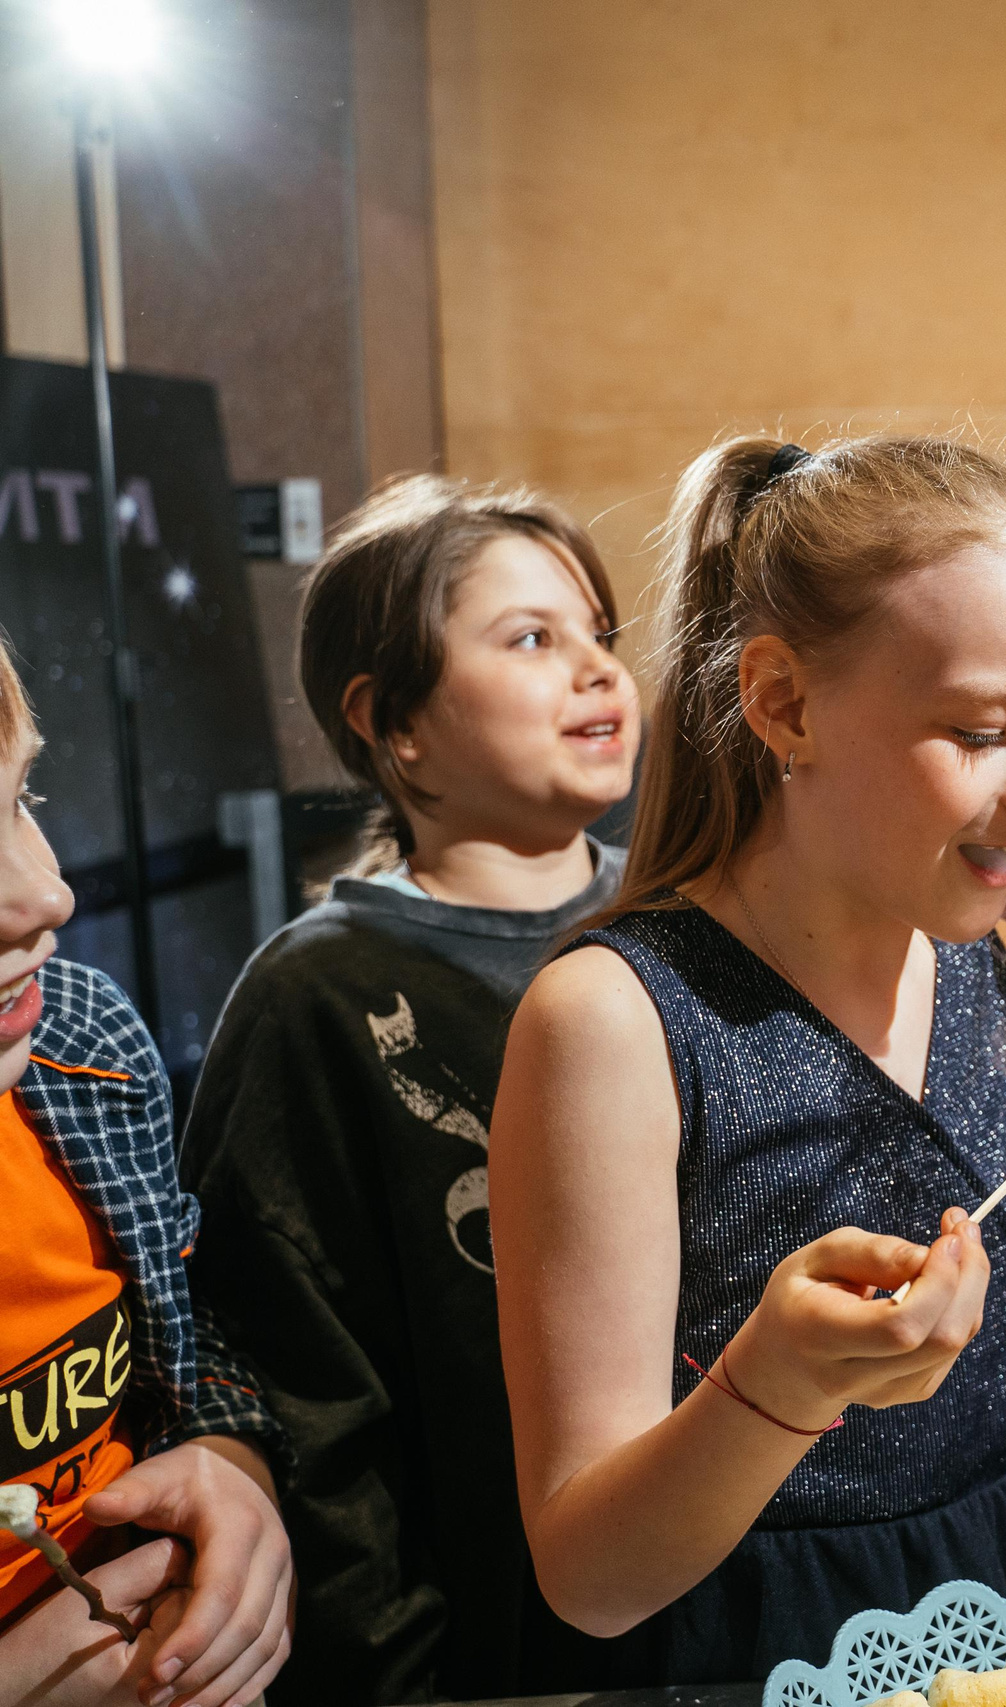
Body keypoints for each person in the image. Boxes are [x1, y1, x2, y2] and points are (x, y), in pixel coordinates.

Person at [490, 435, 1006, 1683]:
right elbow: (588, 1577)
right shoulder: (617, 1023)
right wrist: (773, 1384)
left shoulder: (988, 954)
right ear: (782, 703)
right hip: (768, 1648)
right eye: (984, 732)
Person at [178, 477, 639, 1703]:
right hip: (488, 1644)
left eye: (601, 632)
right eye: (533, 638)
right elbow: (307, 1400)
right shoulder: (316, 998)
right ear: (397, 724)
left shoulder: (694, 921)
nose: (597, 669)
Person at [0, 637, 297, 1707]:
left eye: (22, 796)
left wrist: (233, 1466)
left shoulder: (78, 1043)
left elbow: (182, 1326)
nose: (47, 897)